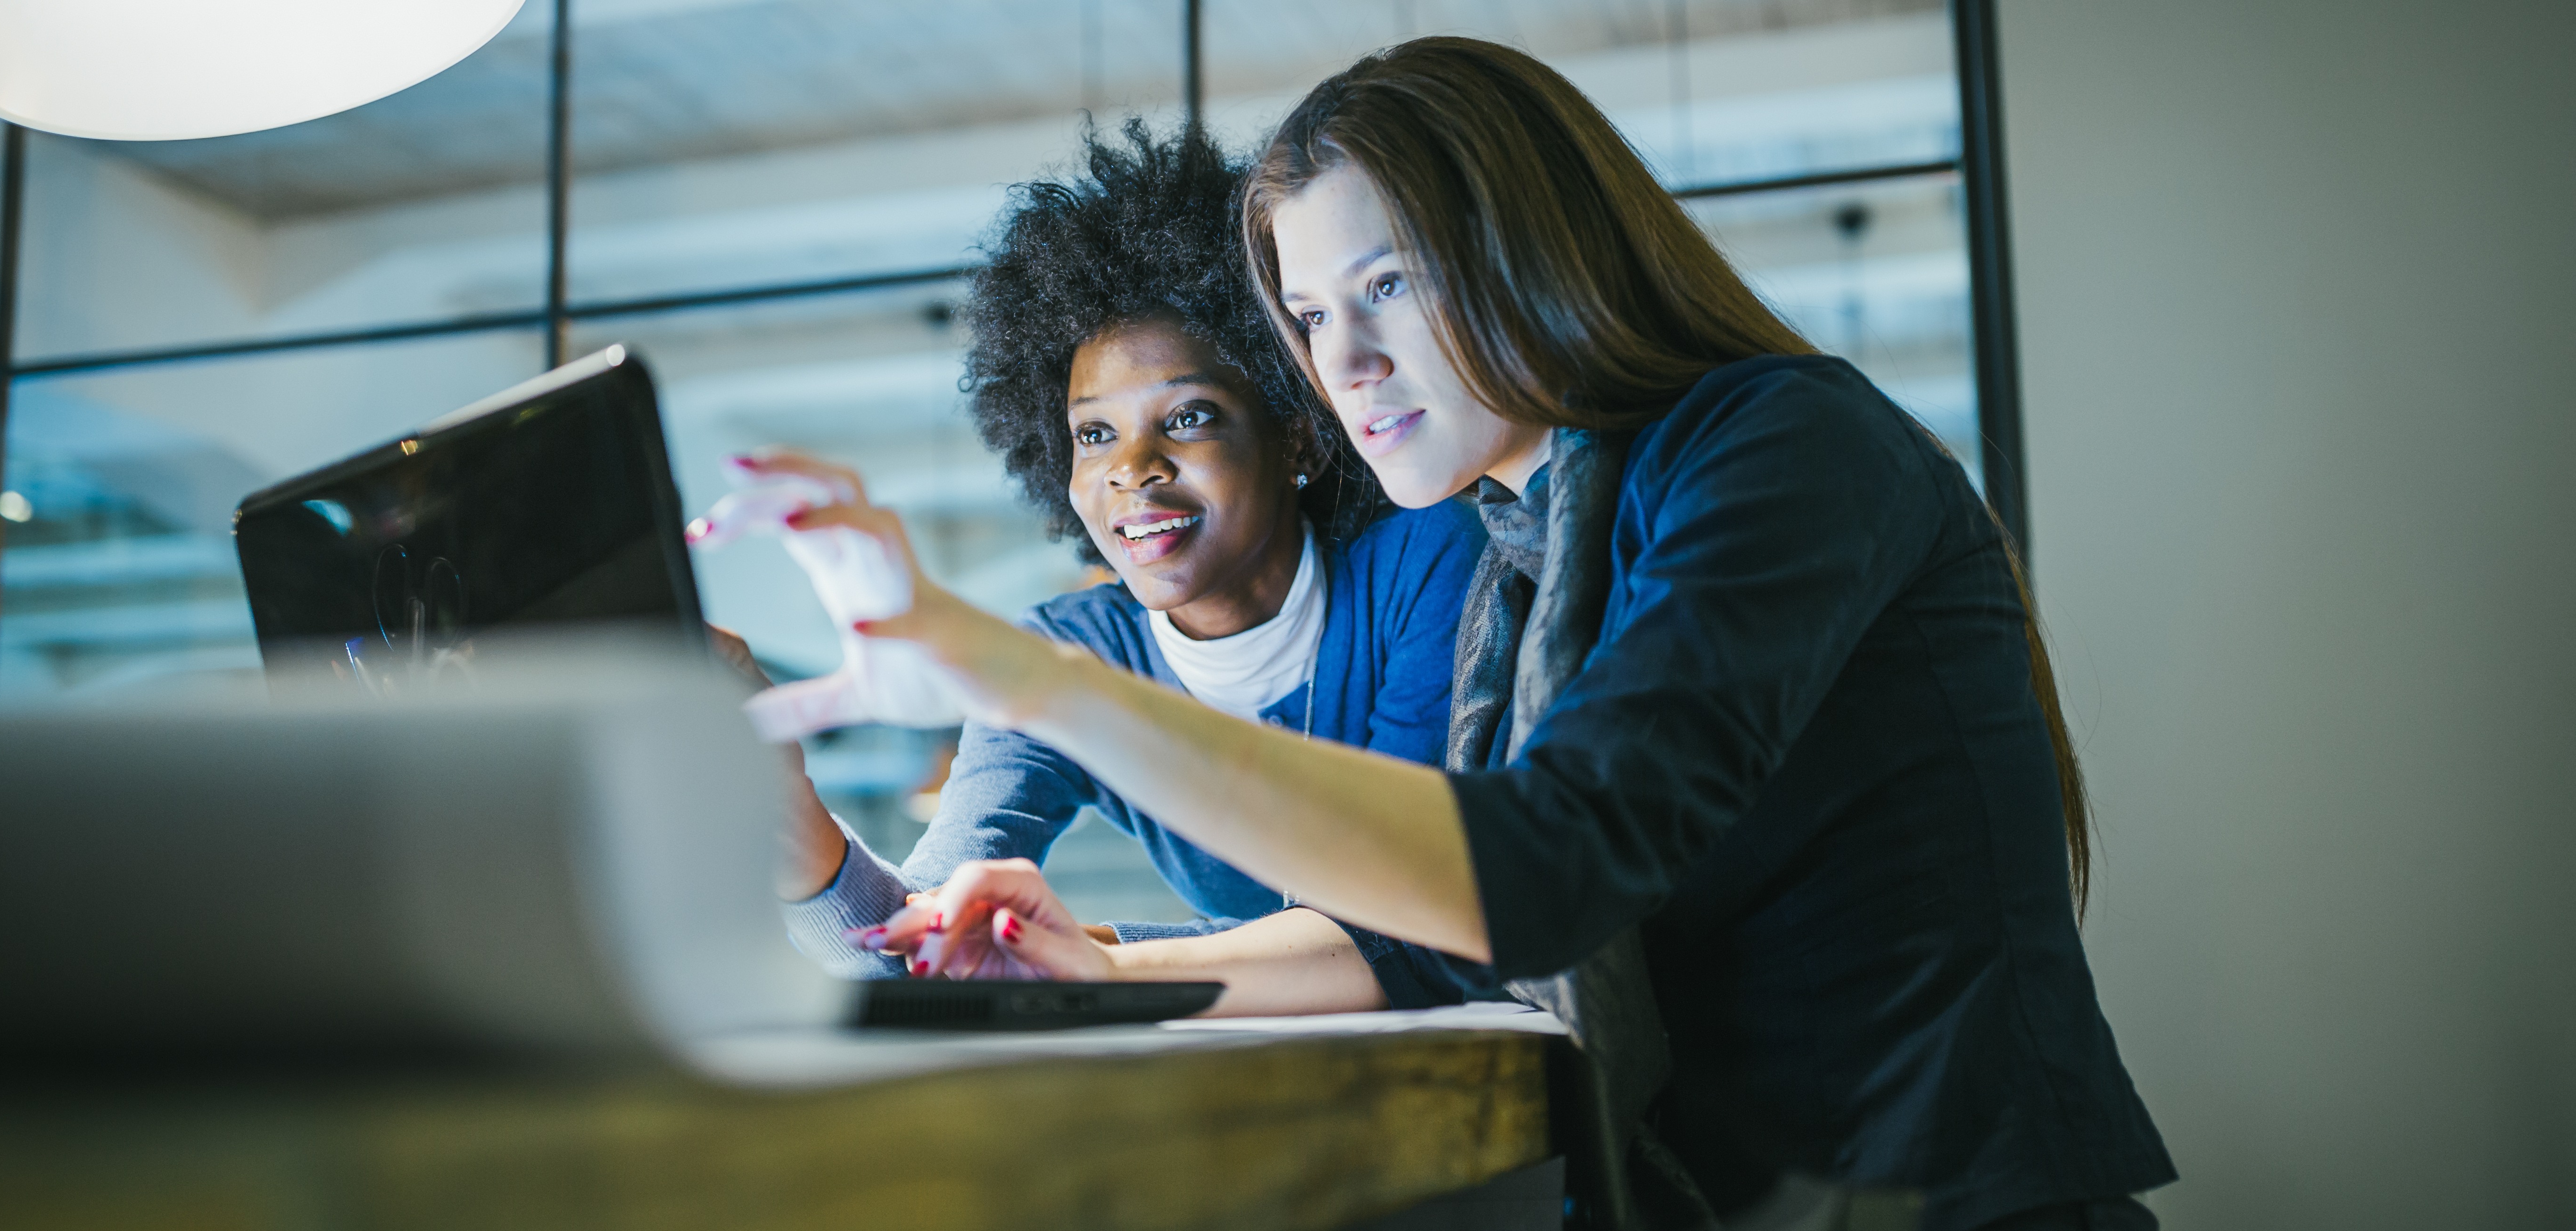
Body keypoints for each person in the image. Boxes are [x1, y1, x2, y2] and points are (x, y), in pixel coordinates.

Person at [750, 39, 2174, 1231]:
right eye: (1309, 313)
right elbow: (1443, 946)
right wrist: (1107, 970)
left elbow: (1543, 870)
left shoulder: (1783, 443)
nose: (1345, 365)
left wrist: (1035, 681)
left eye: (1389, 286)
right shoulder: (1520, 550)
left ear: (1531, 244)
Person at [751, 122, 1489, 1016]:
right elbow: (926, 954)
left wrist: (1098, 957)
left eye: (1188, 418)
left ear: (1298, 428)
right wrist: (788, 814)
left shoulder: (1428, 564)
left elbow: (1425, 925)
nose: (1130, 470)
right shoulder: (1067, 656)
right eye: (1094, 434)